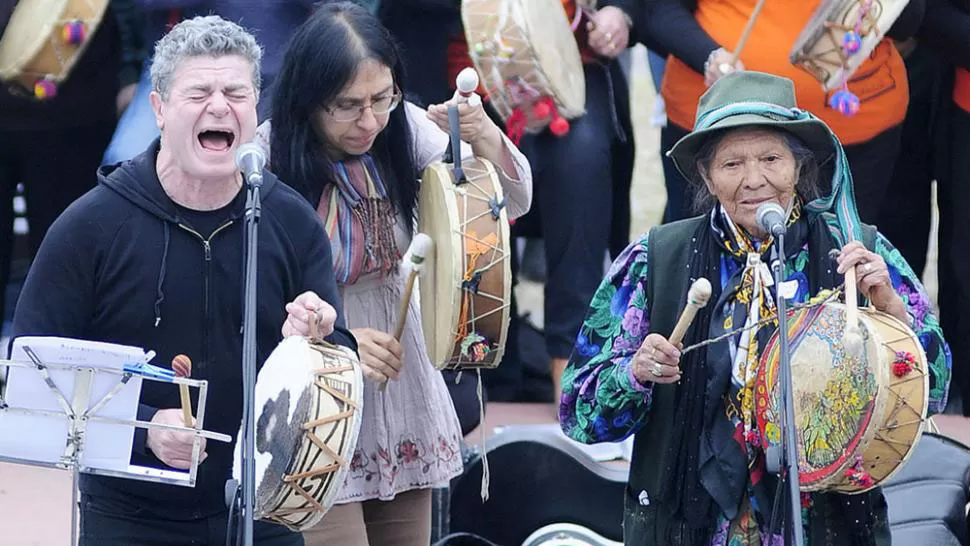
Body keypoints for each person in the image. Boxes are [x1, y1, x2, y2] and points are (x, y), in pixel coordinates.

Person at [559, 71, 951, 545]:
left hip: (828, 526)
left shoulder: (857, 252)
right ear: (706, 175)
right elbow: (577, 411)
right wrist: (635, 373)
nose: (754, 181)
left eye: (771, 159)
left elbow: (932, 392)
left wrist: (892, 314)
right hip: (691, 527)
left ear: (798, 167)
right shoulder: (656, 261)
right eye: (731, 164)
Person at [11, 15, 357, 546]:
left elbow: (339, 361)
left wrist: (323, 338)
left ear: (255, 107)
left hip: (262, 510)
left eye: (235, 92)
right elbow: (35, 375)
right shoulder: (91, 225)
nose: (219, 106)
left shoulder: (288, 220)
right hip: (129, 514)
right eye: (199, 92)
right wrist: (144, 427)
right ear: (158, 109)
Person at [254, 3, 533, 544]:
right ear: (307, 100)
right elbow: (251, 292)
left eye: (382, 98)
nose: (370, 121)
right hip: (318, 388)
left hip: (401, 374)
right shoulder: (265, 159)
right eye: (349, 106)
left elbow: (511, 200)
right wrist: (339, 338)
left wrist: (483, 136)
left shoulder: (402, 128)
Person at [642, 0, 926, 226]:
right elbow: (657, 9)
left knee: (837, 268)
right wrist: (708, 55)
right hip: (719, 127)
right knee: (706, 268)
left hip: (854, 132)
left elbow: (909, 22)